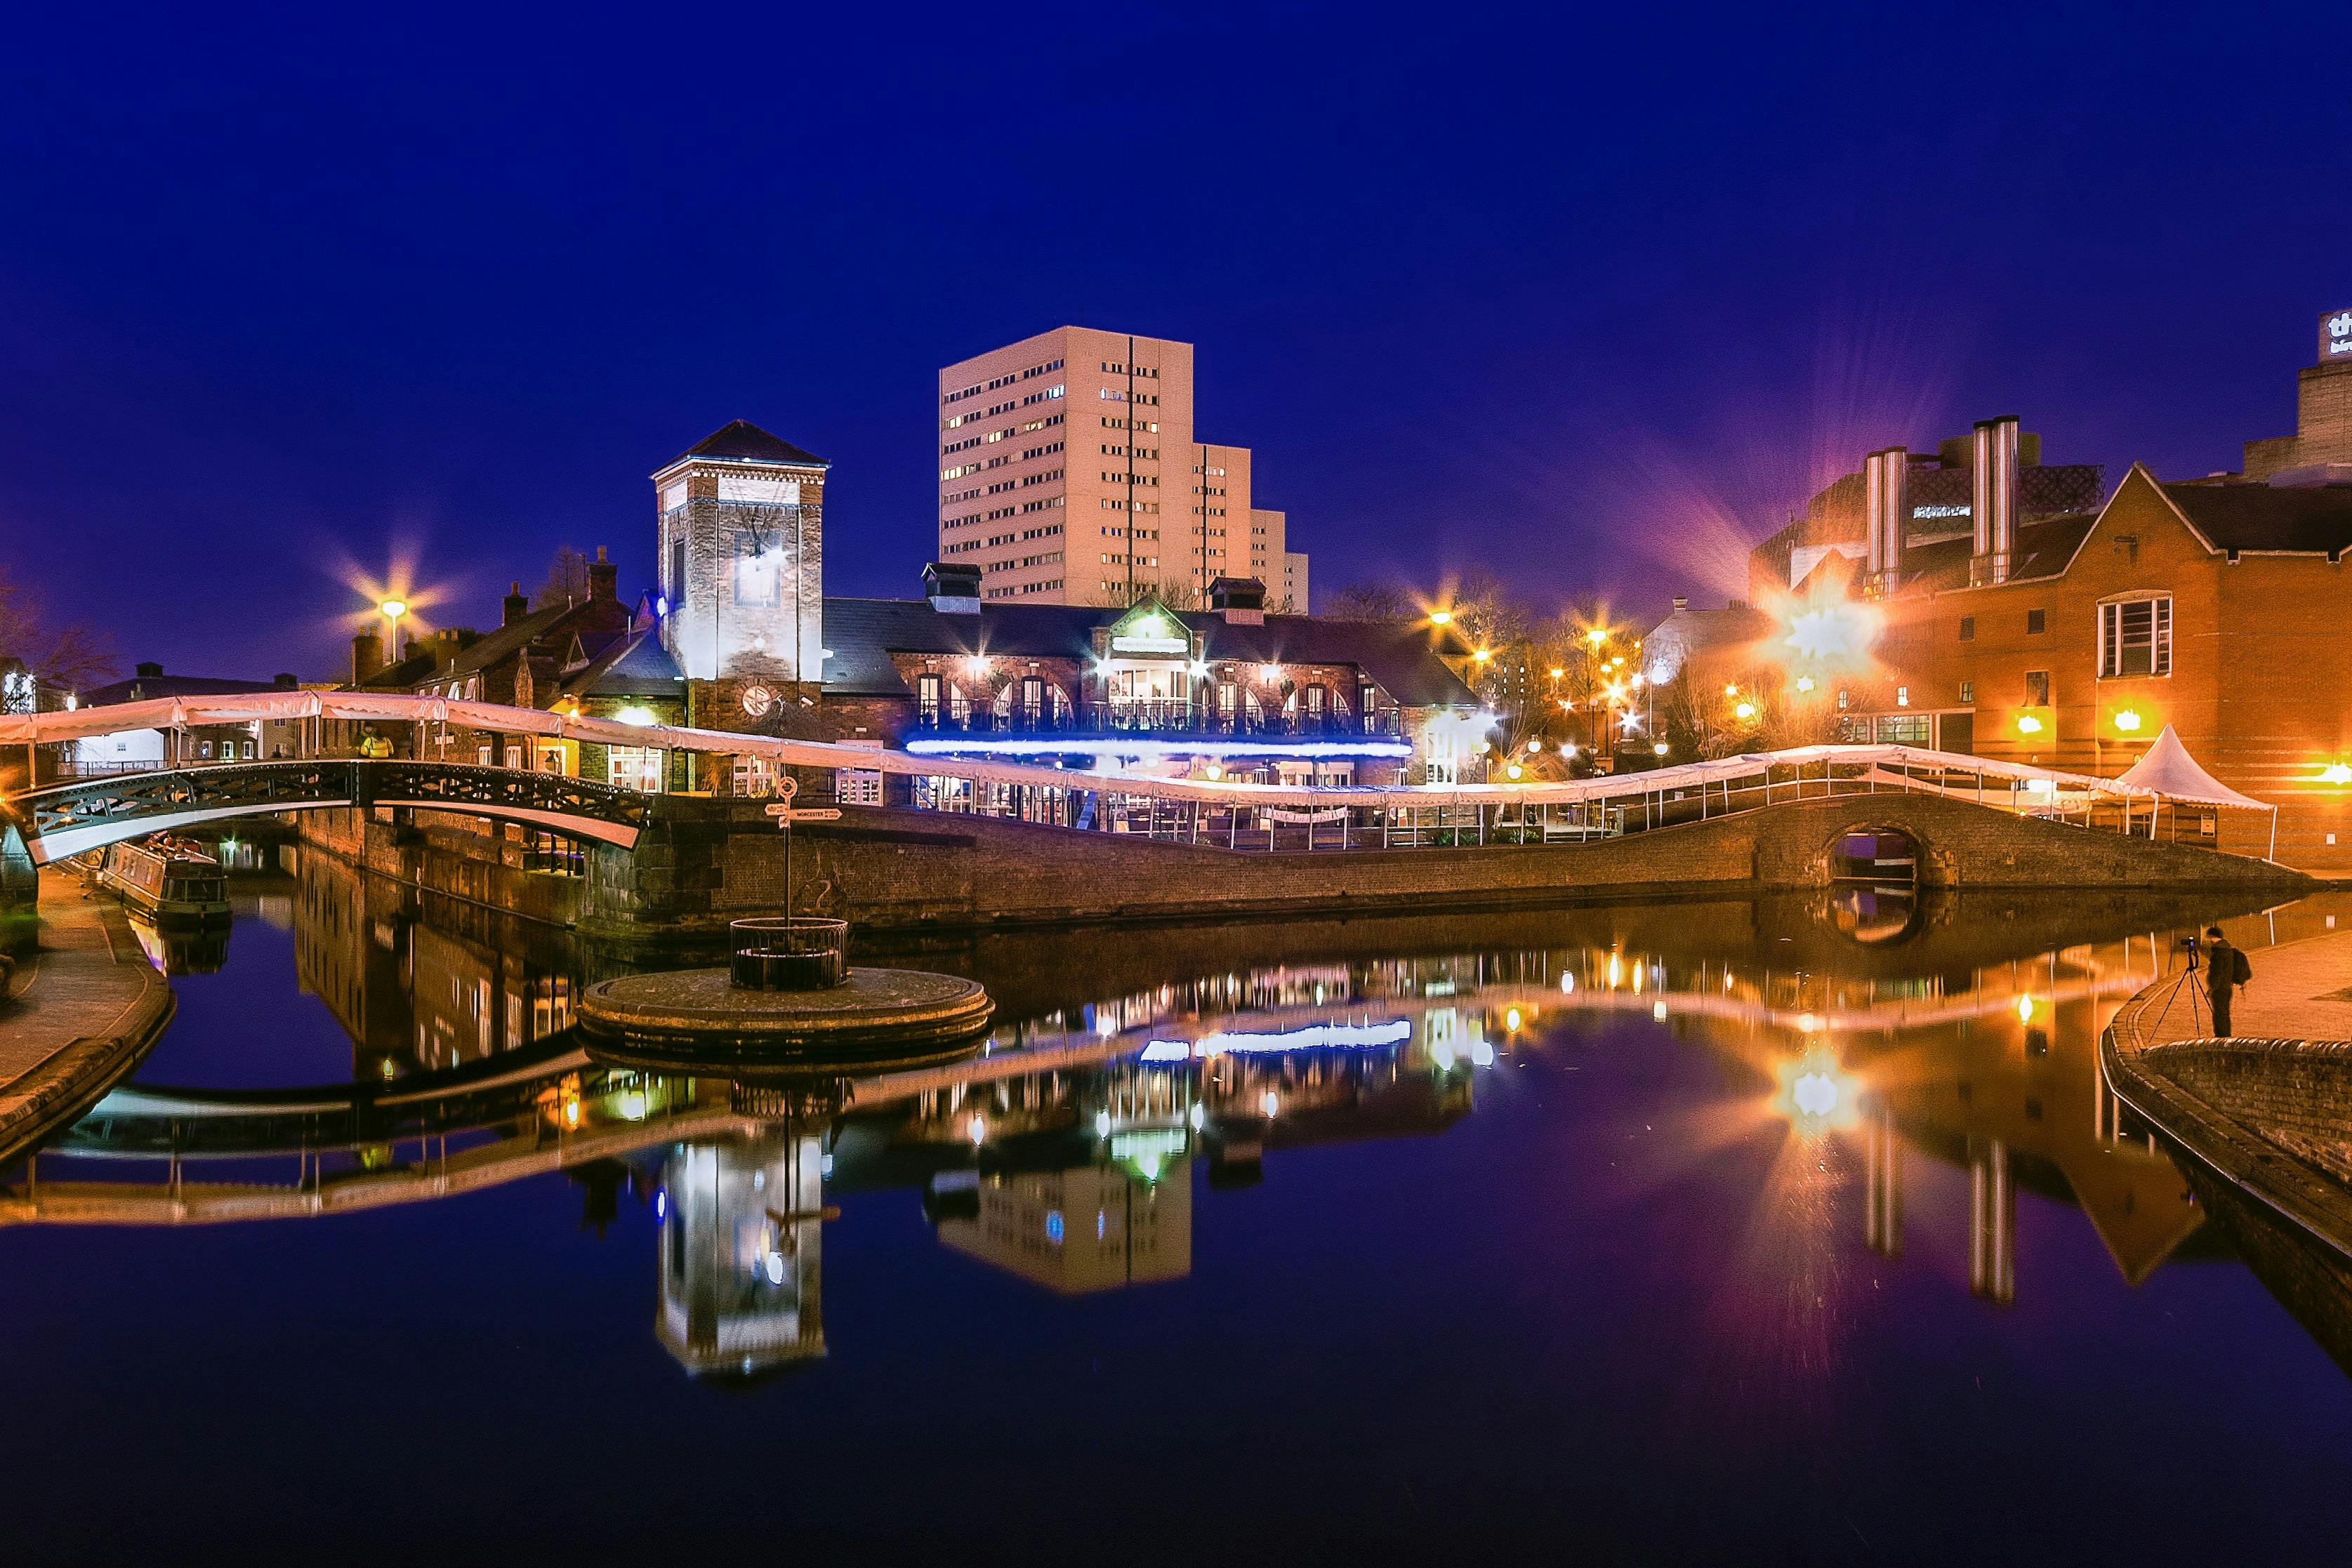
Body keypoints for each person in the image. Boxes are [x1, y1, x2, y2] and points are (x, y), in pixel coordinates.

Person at [2205, 924, 2252, 1036]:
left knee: (2220, 1015)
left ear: (2213, 937)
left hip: (2220, 990)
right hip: (2227, 988)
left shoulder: (2218, 952)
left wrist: (2212, 988)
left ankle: (2222, 1037)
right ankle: (2225, 1036)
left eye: (2209, 938)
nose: (2209, 941)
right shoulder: (2227, 949)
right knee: (2224, 1014)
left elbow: (2217, 973)